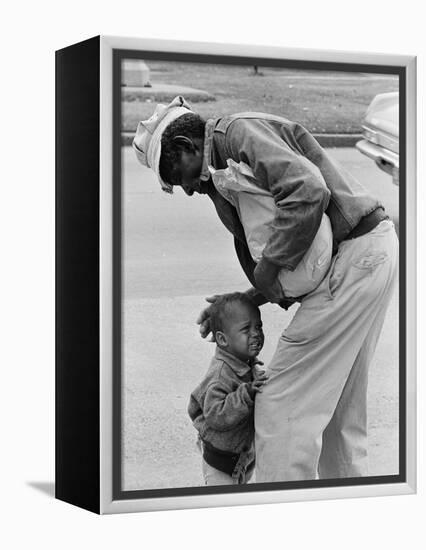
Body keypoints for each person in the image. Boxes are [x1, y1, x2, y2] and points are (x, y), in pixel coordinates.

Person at [133, 95, 399, 482]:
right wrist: (246, 298)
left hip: (353, 262)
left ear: (186, 147)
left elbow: (307, 191)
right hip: (368, 255)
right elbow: (293, 255)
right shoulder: (222, 159)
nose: (187, 189)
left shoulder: (237, 134)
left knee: (280, 406)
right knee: (339, 412)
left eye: (178, 177)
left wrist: (268, 269)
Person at [187, 293, 267, 486]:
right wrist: (246, 393)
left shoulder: (244, 363)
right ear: (223, 340)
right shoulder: (220, 375)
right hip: (220, 463)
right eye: (246, 329)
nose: (256, 333)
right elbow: (216, 415)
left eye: (258, 326)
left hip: (242, 457)